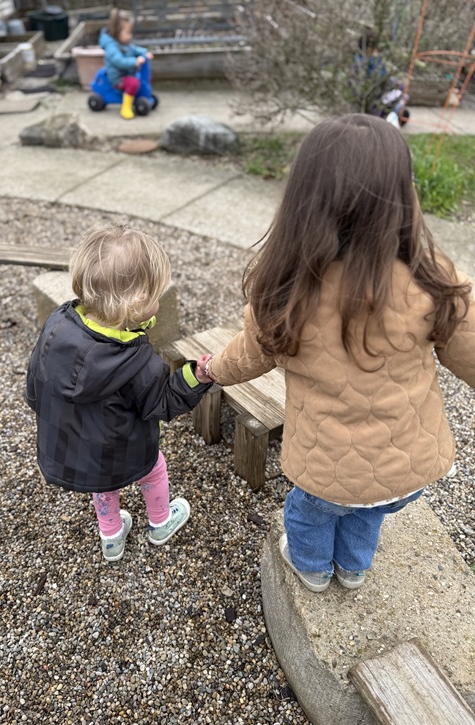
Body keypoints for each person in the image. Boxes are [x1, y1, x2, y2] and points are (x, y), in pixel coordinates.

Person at [200, 114, 475, 593]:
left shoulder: (286, 292)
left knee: (309, 513)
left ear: (301, 201)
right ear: (402, 198)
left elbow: (249, 355)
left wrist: (214, 370)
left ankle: (311, 567)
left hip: (325, 473)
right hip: (408, 471)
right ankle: (352, 568)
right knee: (369, 511)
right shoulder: (432, 279)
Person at [26, 225, 212, 562]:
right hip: (126, 449)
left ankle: (111, 538)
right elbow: (163, 402)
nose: (159, 301)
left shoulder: (58, 324)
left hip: (82, 451)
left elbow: (35, 379)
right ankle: (160, 522)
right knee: (154, 468)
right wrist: (195, 376)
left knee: (104, 483)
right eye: (155, 296)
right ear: (136, 304)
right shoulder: (139, 364)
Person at [99, 8, 153, 120]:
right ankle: (126, 107)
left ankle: (143, 96)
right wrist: (135, 61)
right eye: (128, 33)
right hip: (118, 78)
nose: (130, 36)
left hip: (127, 73)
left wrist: (145, 52)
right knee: (133, 83)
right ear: (117, 31)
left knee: (143, 78)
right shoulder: (111, 47)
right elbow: (119, 61)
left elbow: (134, 49)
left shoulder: (123, 42)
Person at [351, 29, 410, 127]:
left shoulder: (362, 61)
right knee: (403, 96)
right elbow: (381, 79)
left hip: (377, 98)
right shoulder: (370, 63)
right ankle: (390, 120)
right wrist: (398, 85)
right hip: (375, 100)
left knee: (401, 95)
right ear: (370, 49)